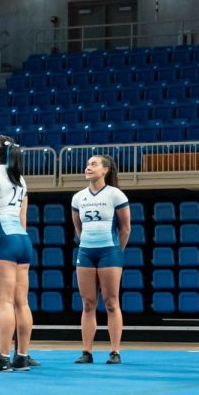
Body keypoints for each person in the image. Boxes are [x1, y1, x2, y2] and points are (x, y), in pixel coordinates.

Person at [0, 135, 35, 373]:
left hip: (3, 240)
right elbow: (23, 218)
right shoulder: (19, 178)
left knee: (5, 302)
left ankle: (2, 357)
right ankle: (22, 356)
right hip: (22, 239)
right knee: (22, 302)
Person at [71, 154, 130, 365]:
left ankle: (115, 351)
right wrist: (86, 244)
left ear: (105, 170)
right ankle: (87, 351)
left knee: (111, 302)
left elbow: (125, 228)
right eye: (87, 164)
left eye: (93, 164)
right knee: (88, 303)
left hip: (110, 252)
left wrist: (115, 250)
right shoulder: (78, 198)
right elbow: (78, 228)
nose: (88, 167)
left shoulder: (116, 195)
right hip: (86, 252)